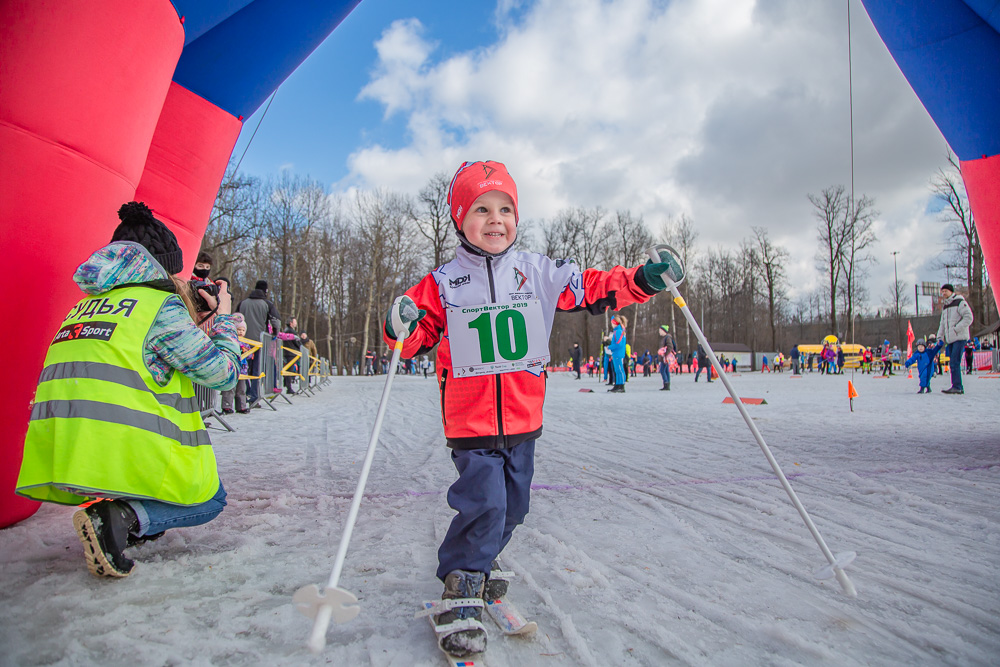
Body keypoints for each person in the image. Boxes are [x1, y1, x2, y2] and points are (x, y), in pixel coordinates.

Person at [382, 160, 674, 657]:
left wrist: (644, 278)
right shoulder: (441, 283)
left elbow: (595, 287)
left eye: (505, 209)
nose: (495, 220)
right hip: (471, 419)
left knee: (514, 506)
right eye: (481, 209)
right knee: (485, 504)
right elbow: (411, 341)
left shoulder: (538, 272)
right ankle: (462, 586)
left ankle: (481, 560)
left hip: (523, 418)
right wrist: (399, 326)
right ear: (459, 217)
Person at [16, 201, 239, 578]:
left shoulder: (84, 306)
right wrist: (224, 322)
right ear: (161, 266)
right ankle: (120, 518)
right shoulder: (160, 307)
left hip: (68, 450)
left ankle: (122, 526)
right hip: (121, 446)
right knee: (211, 499)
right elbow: (223, 374)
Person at [237, 280, 280, 405]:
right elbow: (275, 320)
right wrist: (274, 334)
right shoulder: (267, 304)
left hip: (242, 342)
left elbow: (235, 317)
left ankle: (243, 395)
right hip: (259, 343)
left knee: (243, 369)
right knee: (257, 369)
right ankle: (255, 395)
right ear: (265, 291)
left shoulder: (243, 303)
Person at [937, 284, 975, 394]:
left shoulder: (959, 302)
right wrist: (940, 336)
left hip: (959, 337)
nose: (943, 293)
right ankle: (956, 385)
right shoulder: (945, 306)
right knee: (952, 362)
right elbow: (943, 323)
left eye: (945, 291)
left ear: (951, 291)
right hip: (950, 338)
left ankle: (957, 386)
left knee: (955, 361)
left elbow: (969, 317)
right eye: (942, 291)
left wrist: (956, 328)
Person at [221, 313, 252, 414]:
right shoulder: (231, 340)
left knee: (242, 389)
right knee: (230, 388)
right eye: (239, 330)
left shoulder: (246, 343)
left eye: (243, 330)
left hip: (242, 370)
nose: (241, 332)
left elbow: (250, 356)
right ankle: (227, 406)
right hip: (232, 369)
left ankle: (241, 406)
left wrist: (247, 352)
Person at [608, 314, 628, 392]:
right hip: (616, 353)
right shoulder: (618, 331)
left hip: (618, 353)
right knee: (617, 370)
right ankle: (618, 384)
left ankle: (621, 385)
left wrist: (610, 347)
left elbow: (618, 344)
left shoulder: (618, 331)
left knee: (619, 369)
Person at [657, 324, 676, 391]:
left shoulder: (667, 338)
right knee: (666, 370)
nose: (659, 332)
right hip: (664, 358)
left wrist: (665, 355)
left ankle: (666, 383)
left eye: (660, 331)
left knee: (662, 370)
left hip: (665, 358)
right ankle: (667, 384)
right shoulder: (665, 338)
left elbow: (670, 347)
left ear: (663, 331)